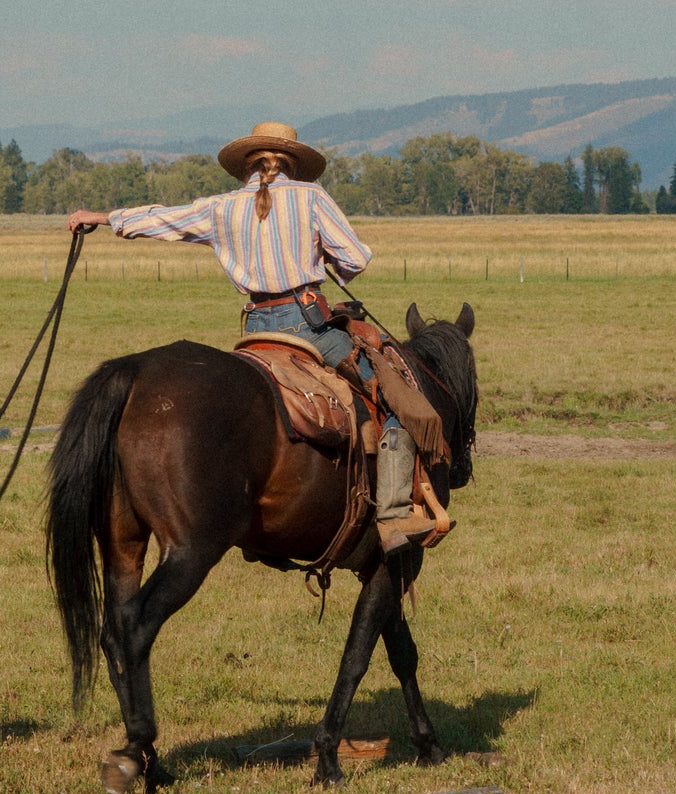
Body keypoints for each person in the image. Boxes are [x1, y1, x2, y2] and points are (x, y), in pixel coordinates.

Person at [65, 121, 439, 556]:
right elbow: (355, 257)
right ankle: (393, 514)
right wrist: (323, 256)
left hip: (257, 330)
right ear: (292, 163)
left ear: (246, 164)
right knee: (392, 394)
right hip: (307, 325)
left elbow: (163, 218)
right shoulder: (311, 196)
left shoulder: (222, 207)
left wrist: (102, 218)